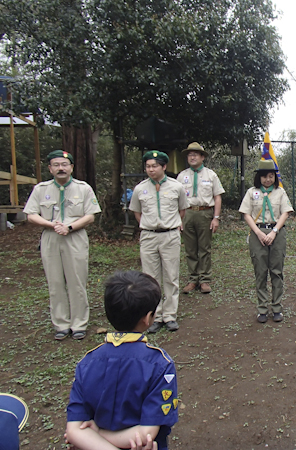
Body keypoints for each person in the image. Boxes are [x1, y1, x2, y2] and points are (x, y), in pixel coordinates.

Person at [66, 271, 178, 450]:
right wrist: (100, 435)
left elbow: (74, 431)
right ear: (148, 318)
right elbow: (146, 434)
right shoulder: (160, 365)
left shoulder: (86, 363)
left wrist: (95, 435)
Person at [23, 150, 101, 340]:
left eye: (64, 165)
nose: (60, 168)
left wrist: (70, 226)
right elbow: (31, 215)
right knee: (55, 282)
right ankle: (61, 324)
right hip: (51, 237)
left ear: (71, 167)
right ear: (50, 168)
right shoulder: (41, 189)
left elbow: (90, 216)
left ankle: (79, 324)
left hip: (75, 237)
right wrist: (52, 225)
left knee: (77, 281)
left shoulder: (83, 188)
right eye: (56, 165)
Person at [129, 151, 189, 333]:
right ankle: (155, 315)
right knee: (150, 278)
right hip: (148, 236)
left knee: (171, 276)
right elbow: (137, 212)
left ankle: (170, 315)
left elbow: (182, 210)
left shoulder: (176, 187)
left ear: (164, 167)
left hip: (170, 235)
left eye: (154, 166)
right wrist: (148, 226)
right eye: (148, 166)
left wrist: (170, 225)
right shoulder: (140, 189)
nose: (151, 169)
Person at [239, 160, 293, 323]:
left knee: (276, 271)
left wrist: (274, 231)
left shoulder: (280, 192)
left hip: (277, 233)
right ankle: (262, 308)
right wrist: (258, 233)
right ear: (259, 177)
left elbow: (285, 213)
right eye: (264, 176)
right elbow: (246, 214)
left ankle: (277, 307)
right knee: (260, 272)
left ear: (275, 177)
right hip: (258, 233)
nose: (268, 180)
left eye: (271, 176)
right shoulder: (251, 192)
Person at [177, 142, 225, 295]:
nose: (192, 157)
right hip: (187, 213)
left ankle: (204, 280)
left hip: (205, 213)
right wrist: (178, 219)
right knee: (190, 248)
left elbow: (217, 197)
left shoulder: (211, 175)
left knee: (204, 248)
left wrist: (216, 218)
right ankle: (193, 279)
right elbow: (176, 199)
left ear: (202, 157)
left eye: (195, 154)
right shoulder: (181, 176)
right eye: (190, 154)